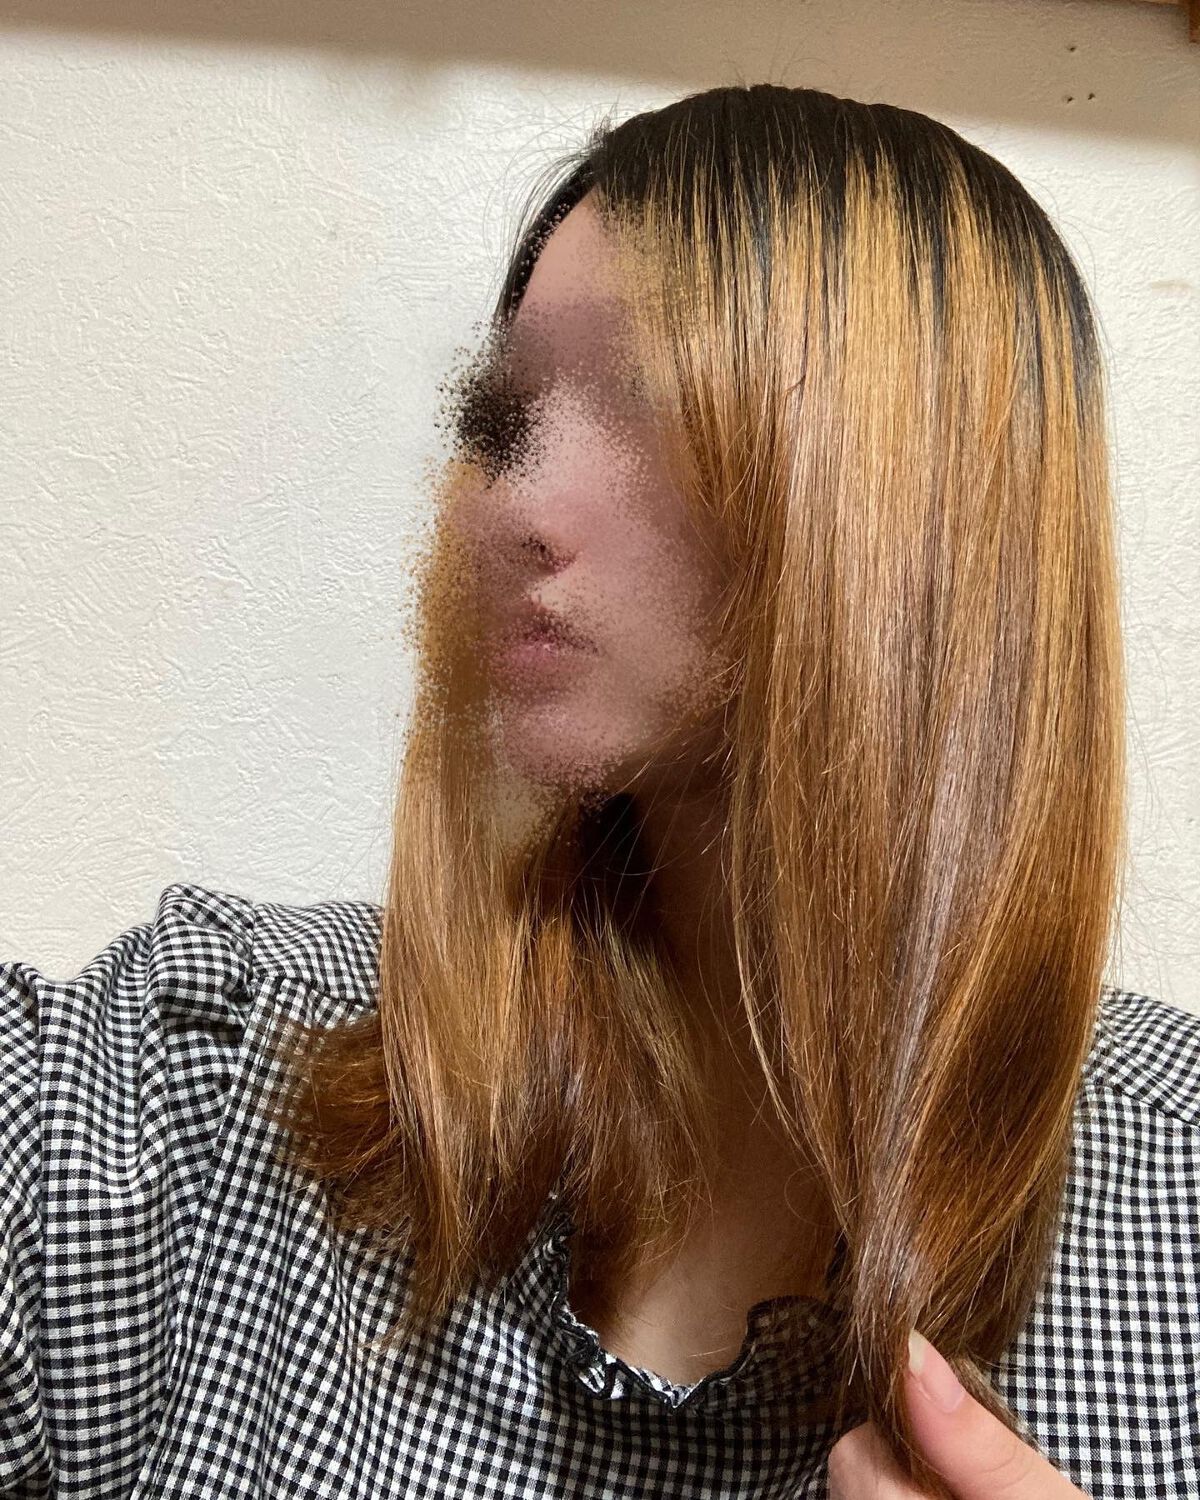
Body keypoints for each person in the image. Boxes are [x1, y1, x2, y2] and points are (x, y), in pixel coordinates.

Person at [3, 83, 1198, 1500]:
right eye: (502, 417)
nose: (509, 503)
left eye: (647, 400)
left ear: (917, 500)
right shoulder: (199, 1083)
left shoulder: (1173, 1214)